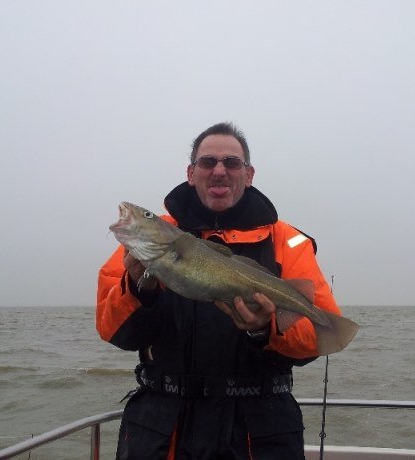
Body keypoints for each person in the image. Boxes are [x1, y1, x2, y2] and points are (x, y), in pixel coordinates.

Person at [97, 122, 344, 460]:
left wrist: (264, 329)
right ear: (190, 172)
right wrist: (142, 291)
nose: (219, 171)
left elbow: (315, 339)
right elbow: (111, 329)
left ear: (249, 173)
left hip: (259, 433)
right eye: (207, 162)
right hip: (162, 431)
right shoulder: (153, 241)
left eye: (231, 163)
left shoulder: (287, 241)